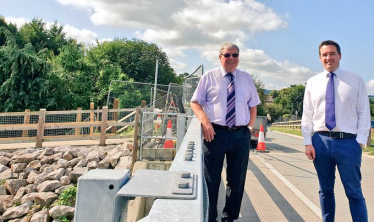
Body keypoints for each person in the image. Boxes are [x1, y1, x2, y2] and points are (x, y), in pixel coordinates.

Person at [190, 42, 261, 222]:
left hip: (240, 135)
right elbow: (195, 102)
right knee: (212, 180)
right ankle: (210, 217)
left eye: (235, 55)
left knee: (236, 181)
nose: (231, 58)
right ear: (220, 57)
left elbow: (253, 105)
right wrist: (205, 122)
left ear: (238, 58)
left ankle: (229, 217)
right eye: (227, 55)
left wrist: (249, 127)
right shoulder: (209, 77)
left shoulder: (246, 78)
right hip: (215, 134)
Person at [301, 40, 370, 222]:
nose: (328, 57)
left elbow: (364, 111)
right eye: (324, 55)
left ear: (340, 55)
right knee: (325, 190)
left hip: (348, 143)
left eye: (332, 53)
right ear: (320, 58)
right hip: (321, 142)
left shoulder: (355, 80)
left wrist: (360, 140)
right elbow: (307, 113)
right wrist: (308, 141)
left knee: (354, 192)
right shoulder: (313, 82)